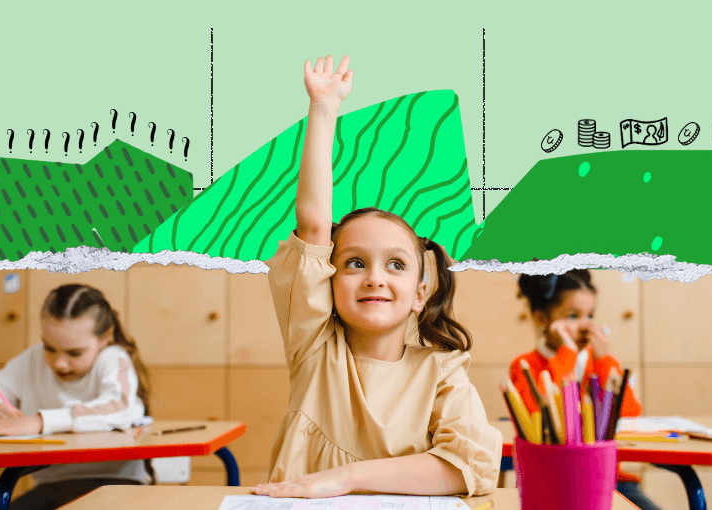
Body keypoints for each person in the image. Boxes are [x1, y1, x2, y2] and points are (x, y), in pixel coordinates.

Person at [249, 54, 502, 499]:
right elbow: (312, 227)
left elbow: (469, 468)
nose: (374, 278)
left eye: (396, 265)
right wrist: (323, 109)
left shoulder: (442, 372)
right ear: (327, 279)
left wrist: (348, 479)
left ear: (421, 292)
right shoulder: (314, 347)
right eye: (354, 263)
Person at [0, 283, 153, 510]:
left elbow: (120, 407)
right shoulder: (31, 360)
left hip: (117, 483)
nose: (59, 363)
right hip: (53, 486)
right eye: (49, 348)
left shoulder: (113, 359)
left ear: (105, 337)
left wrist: (38, 421)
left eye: (75, 353)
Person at [509, 270, 663, 510]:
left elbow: (630, 415)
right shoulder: (525, 366)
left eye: (590, 315)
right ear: (541, 319)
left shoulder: (598, 362)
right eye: (572, 316)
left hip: (608, 481)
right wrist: (566, 354)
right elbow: (539, 412)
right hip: (554, 482)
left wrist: (604, 360)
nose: (585, 325)